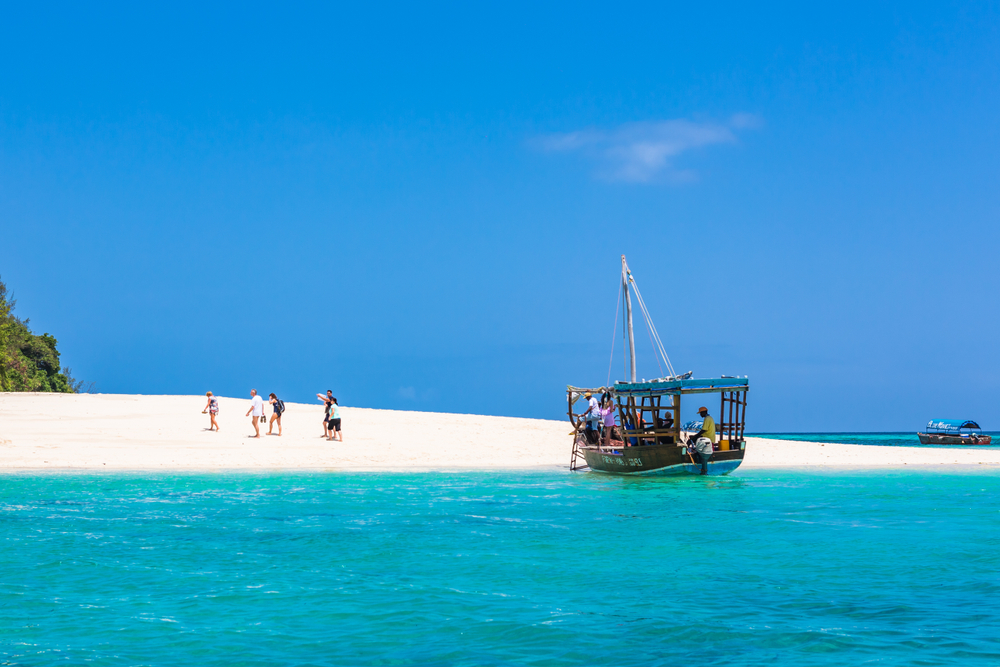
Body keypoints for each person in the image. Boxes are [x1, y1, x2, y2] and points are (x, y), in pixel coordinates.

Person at [692, 406, 716, 475]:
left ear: (703, 412)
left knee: (693, 439)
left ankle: (697, 456)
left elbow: (704, 430)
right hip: (709, 438)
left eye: (700, 413)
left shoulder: (707, 419)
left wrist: (695, 436)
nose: (700, 415)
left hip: (707, 439)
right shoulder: (710, 418)